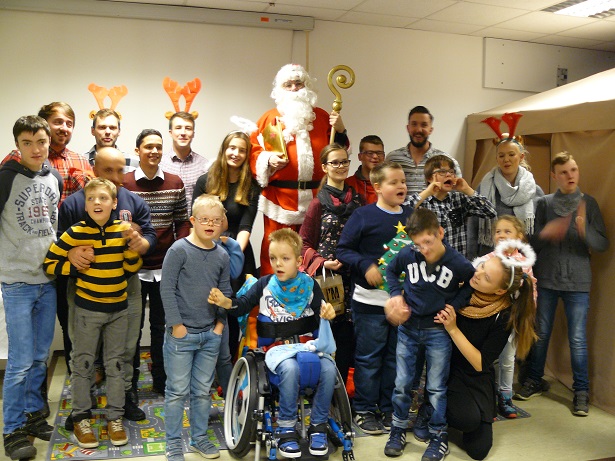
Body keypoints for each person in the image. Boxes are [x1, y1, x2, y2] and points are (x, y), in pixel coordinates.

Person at [208, 228, 337, 459]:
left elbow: (323, 312)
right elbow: (243, 304)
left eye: (285, 259)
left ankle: (318, 425)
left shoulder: (310, 286)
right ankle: (286, 427)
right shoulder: (265, 284)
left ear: (299, 261)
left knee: (328, 368)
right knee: (291, 368)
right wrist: (227, 302)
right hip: (277, 350)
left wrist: (328, 313)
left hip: (308, 347)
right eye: (273, 258)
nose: (278, 264)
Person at [58, 147, 156, 428]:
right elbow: (60, 242)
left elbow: (149, 232)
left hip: (127, 286)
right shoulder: (74, 204)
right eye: (107, 170)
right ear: (94, 170)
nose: (115, 176)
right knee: (82, 350)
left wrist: (142, 243)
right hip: (84, 288)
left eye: (120, 170)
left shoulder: (133, 201)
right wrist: (70, 254)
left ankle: (125, 396)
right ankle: (82, 403)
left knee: (125, 347)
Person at [44, 178, 143, 448]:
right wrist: (74, 268)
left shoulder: (123, 230)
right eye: (91, 199)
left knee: (116, 364)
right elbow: (50, 264)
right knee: (83, 364)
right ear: (85, 205)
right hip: (87, 312)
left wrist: (131, 249)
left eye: (103, 198)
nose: (96, 202)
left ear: (114, 203)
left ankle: (115, 417)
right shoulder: (75, 233)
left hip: (118, 311)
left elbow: (131, 268)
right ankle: (81, 417)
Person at [516, 152, 609, 416]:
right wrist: (546, 233)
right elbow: (531, 246)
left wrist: (584, 231)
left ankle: (581, 392)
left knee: (577, 338)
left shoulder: (589, 203)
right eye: (564, 172)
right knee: (541, 333)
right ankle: (534, 379)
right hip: (546, 279)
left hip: (578, 282)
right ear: (554, 176)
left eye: (573, 170)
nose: (570, 176)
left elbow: (603, 244)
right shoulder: (543, 204)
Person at [383, 208, 475, 460]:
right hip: (408, 329)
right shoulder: (408, 254)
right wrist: (396, 295)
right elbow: (390, 271)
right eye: (418, 244)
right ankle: (398, 429)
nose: (423, 249)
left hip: (438, 332)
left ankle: (438, 436)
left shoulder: (457, 262)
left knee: (435, 387)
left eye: (428, 242)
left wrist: (454, 305)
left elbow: (471, 283)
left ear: (440, 233)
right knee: (402, 383)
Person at [250, 63, 349, 275]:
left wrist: (340, 129)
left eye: (298, 83)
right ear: (280, 89)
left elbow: (337, 152)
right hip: (279, 198)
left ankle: (310, 293)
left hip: (317, 198)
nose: (294, 88)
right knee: (276, 252)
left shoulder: (322, 117)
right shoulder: (268, 119)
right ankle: (273, 293)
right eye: (288, 84)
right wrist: (268, 160)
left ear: (307, 86)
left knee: (313, 251)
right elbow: (253, 151)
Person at [336, 161, 412, 435]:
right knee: (368, 358)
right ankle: (365, 409)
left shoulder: (412, 216)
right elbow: (343, 250)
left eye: (403, 181)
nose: (401, 186)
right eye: (394, 182)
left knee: (395, 358)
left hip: (401, 304)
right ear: (377, 187)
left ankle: (389, 408)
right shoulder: (363, 215)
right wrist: (365, 265)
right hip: (369, 302)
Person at [1, 116, 61, 460]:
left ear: (48, 142)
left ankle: (34, 416)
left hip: (47, 281)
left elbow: (52, 226)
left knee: (40, 357)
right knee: (21, 361)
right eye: (27, 143)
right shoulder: (6, 178)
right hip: (17, 283)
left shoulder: (53, 177)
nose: (36, 149)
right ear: (17, 145)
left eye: (41, 141)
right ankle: (12, 430)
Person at [160, 194, 232, 461]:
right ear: (193, 220)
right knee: (177, 391)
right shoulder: (178, 250)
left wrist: (219, 326)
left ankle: (199, 438)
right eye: (204, 219)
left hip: (209, 335)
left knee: (202, 391)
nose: (210, 225)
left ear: (222, 223)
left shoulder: (222, 255)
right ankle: (173, 443)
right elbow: (167, 290)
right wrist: (177, 325)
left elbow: (226, 292)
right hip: (181, 335)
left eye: (216, 220)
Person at [123, 129, 191, 395]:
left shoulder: (174, 182)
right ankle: (129, 384)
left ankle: (161, 380)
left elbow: (182, 221)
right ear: (137, 151)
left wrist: (178, 251)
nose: (154, 151)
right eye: (148, 146)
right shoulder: (125, 184)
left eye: (158, 147)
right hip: (134, 269)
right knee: (132, 327)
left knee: (162, 327)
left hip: (165, 268)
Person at [193, 130, 260, 390]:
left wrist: (232, 255)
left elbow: (245, 226)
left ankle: (228, 374)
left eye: (242, 150)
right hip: (206, 252)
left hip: (237, 256)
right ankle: (204, 371)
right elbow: (197, 220)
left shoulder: (251, 185)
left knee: (231, 314)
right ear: (224, 149)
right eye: (232, 147)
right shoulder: (205, 180)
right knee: (206, 310)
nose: (236, 153)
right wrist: (211, 251)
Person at [299, 143, 363, 386]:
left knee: (349, 337)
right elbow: (304, 243)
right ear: (325, 167)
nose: (340, 166)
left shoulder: (358, 200)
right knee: (328, 335)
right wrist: (323, 262)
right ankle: (323, 389)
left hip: (353, 276)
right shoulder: (318, 203)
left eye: (344, 161)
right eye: (334, 162)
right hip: (328, 279)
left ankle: (343, 391)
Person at [473, 215, 537, 418]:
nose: (501, 235)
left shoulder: (524, 263)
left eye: (507, 231)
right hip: (488, 319)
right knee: (487, 359)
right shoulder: (486, 261)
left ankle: (505, 396)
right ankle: (487, 396)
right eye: (498, 231)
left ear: (519, 237)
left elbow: (530, 291)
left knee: (508, 359)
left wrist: (527, 312)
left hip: (511, 319)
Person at [467, 133, 544, 260]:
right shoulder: (485, 188)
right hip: (489, 260)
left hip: (521, 262)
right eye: (501, 155)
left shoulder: (535, 191)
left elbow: (539, 234)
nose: (506, 159)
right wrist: (471, 261)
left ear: (521, 156)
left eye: (511, 154)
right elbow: (473, 226)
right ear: (497, 159)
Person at [1, 102, 93, 206]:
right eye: (58, 122)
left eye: (69, 124)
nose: (64, 128)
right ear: (43, 124)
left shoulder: (82, 162)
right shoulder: (18, 157)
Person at [408, 154, 496, 258]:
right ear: (429, 178)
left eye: (451, 172)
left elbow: (490, 211)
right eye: (442, 172)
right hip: (431, 261)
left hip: (456, 261)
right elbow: (403, 210)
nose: (448, 175)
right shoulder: (422, 202)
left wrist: (467, 189)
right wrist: (428, 192)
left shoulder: (459, 198)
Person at [386, 106, 461, 195]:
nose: (419, 129)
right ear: (408, 128)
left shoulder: (448, 161)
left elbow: (457, 194)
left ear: (430, 130)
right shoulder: (392, 159)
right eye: (414, 124)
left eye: (424, 125)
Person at [160, 111, 211, 215]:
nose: (183, 133)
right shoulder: (160, 164)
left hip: (195, 223)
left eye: (188, 128)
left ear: (193, 133)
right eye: (178, 128)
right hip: (167, 223)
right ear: (170, 132)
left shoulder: (205, 166)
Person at [85, 108, 139, 173]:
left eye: (112, 128)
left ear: (119, 131)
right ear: (93, 131)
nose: (107, 132)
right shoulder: (81, 161)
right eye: (102, 127)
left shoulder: (135, 163)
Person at [345, 135, 385, 204]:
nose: (375, 156)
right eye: (370, 153)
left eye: (379, 153)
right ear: (360, 157)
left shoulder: (390, 184)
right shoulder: (348, 184)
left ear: (384, 156)